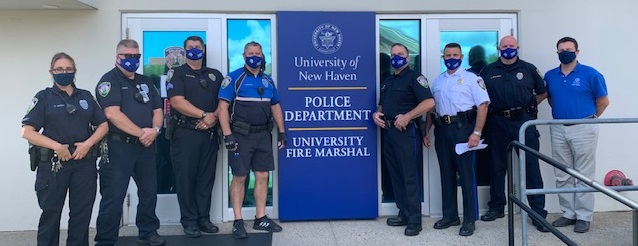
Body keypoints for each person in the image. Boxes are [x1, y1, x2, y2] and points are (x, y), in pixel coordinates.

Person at [21, 52, 108, 246]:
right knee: (51, 214)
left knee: (81, 215)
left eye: (68, 69)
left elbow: (103, 125)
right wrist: (56, 147)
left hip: (84, 164)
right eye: (59, 69)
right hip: (54, 165)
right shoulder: (43, 97)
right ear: (51, 72)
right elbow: (27, 131)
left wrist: (88, 144)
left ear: (74, 71)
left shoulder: (85, 96)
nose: (64, 72)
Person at [94, 39, 165, 246]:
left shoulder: (145, 81)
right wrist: (142, 133)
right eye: (128, 56)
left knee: (149, 192)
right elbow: (112, 114)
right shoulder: (109, 81)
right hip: (118, 147)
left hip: (146, 146)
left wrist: (156, 130)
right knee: (113, 196)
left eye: (137, 57)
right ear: (118, 57)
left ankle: (148, 232)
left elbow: (158, 110)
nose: (133, 60)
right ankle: (106, 240)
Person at [478, 36, 549, 232]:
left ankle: (537, 213)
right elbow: (480, 96)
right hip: (497, 122)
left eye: (511, 46)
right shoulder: (488, 71)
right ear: (498, 48)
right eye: (504, 46)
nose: (508, 48)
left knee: (531, 167)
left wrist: (531, 105)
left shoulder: (529, 69)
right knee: (497, 167)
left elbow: (542, 92)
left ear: (517, 47)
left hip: (523, 122)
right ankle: (497, 207)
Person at [218, 41, 287, 239]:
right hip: (241, 136)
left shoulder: (268, 80)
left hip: (263, 135)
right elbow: (222, 107)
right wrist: (227, 135)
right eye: (251, 53)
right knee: (239, 177)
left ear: (262, 56)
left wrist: (282, 131)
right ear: (244, 55)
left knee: (263, 176)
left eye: (258, 53)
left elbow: (275, 106)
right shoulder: (234, 78)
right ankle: (238, 221)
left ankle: (261, 217)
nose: (254, 56)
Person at [544, 36, 609, 233]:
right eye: (561, 49)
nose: (565, 52)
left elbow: (603, 101)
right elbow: (552, 100)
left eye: (569, 49)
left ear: (577, 52)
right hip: (558, 128)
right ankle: (568, 213)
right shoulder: (550, 75)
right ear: (557, 52)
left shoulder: (591, 74)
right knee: (562, 173)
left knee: (583, 174)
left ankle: (583, 216)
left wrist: (589, 118)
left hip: (584, 127)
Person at [424, 42, 489, 237]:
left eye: (455, 55)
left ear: (461, 57)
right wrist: (426, 131)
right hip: (442, 130)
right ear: (443, 57)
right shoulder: (438, 81)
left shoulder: (472, 79)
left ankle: (469, 219)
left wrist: (476, 133)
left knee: (466, 175)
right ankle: (450, 215)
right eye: (448, 55)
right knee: (446, 174)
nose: (451, 58)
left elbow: (483, 106)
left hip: (464, 130)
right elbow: (432, 109)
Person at [372, 43, 434, 237]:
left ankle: (415, 220)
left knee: (409, 176)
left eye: (400, 54)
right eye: (393, 54)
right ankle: (403, 213)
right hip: (389, 133)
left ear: (407, 58)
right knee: (395, 175)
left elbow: (429, 102)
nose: (396, 57)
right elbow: (383, 106)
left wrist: (408, 116)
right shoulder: (387, 81)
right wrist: (377, 114)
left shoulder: (415, 78)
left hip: (406, 133)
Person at [166, 36, 223, 238]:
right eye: (190, 47)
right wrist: (203, 115)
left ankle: (203, 219)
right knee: (186, 179)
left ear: (203, 49)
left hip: (209, 133)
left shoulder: (215, 75)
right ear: (184, 51)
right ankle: (189, 221)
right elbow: (177, 102)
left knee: (205, 179)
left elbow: (224, 102)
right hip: (185, 134)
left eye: (197, 47)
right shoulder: (177, 74)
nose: (194, 50)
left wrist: (213, 118)